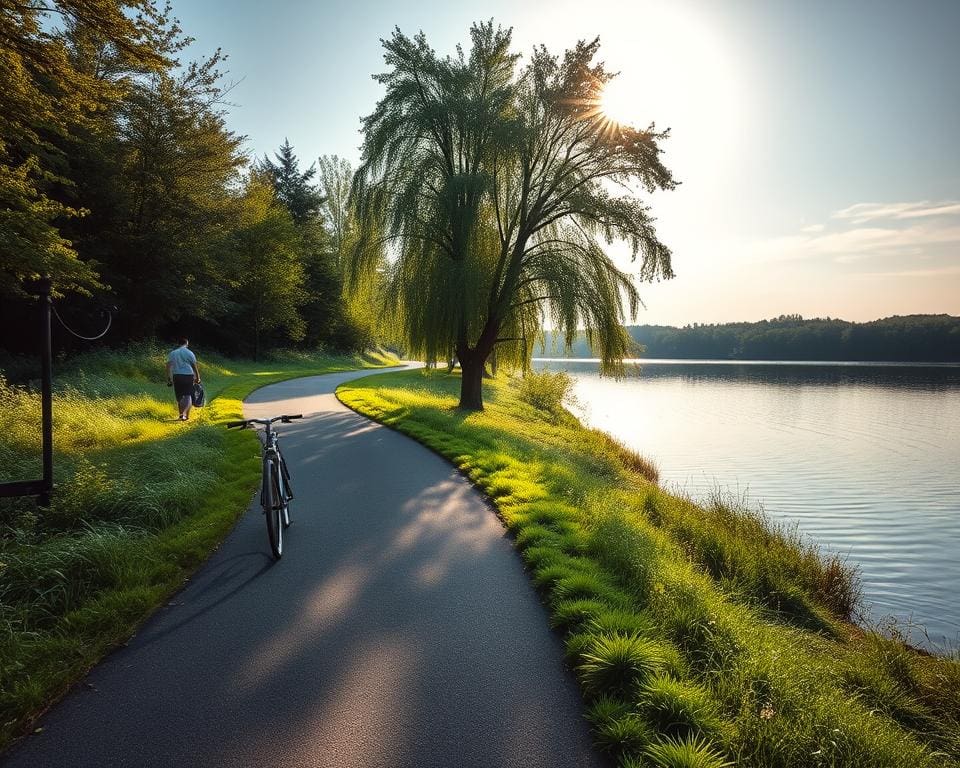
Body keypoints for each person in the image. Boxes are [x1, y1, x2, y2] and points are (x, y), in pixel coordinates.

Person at [166, 336, 201, 421]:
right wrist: (198, 377)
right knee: (188, 395)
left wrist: (169, 378)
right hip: (188, 375)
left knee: (179, 396)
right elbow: (194, 366)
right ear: (187, 344)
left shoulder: (172, 353)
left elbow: (168, 366)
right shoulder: (189, 353)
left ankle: (181, 414)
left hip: (176, 376)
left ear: (178, 344)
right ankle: (185, 415)